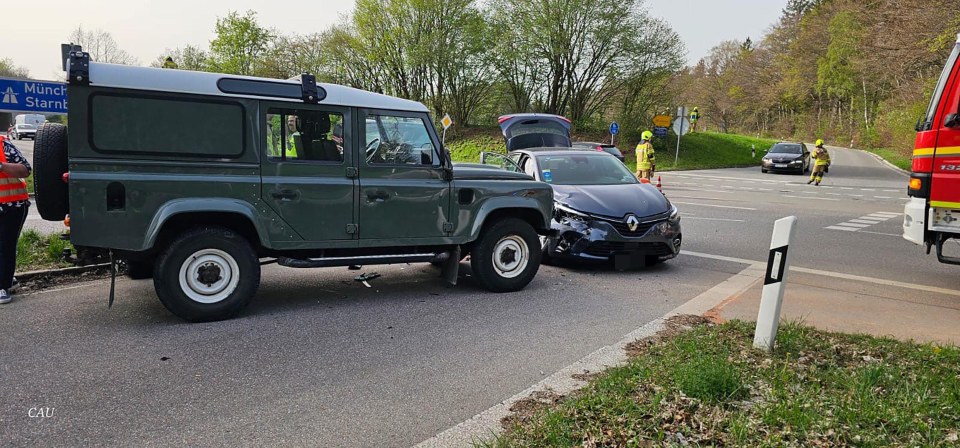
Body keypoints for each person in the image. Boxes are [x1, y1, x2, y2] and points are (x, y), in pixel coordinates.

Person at [0, 135, 31, 304]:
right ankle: (6, 277)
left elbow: (25, 170)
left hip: (12, 206)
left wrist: (1, 166)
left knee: (5, 245)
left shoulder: (3, 146)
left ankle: (2, 286)